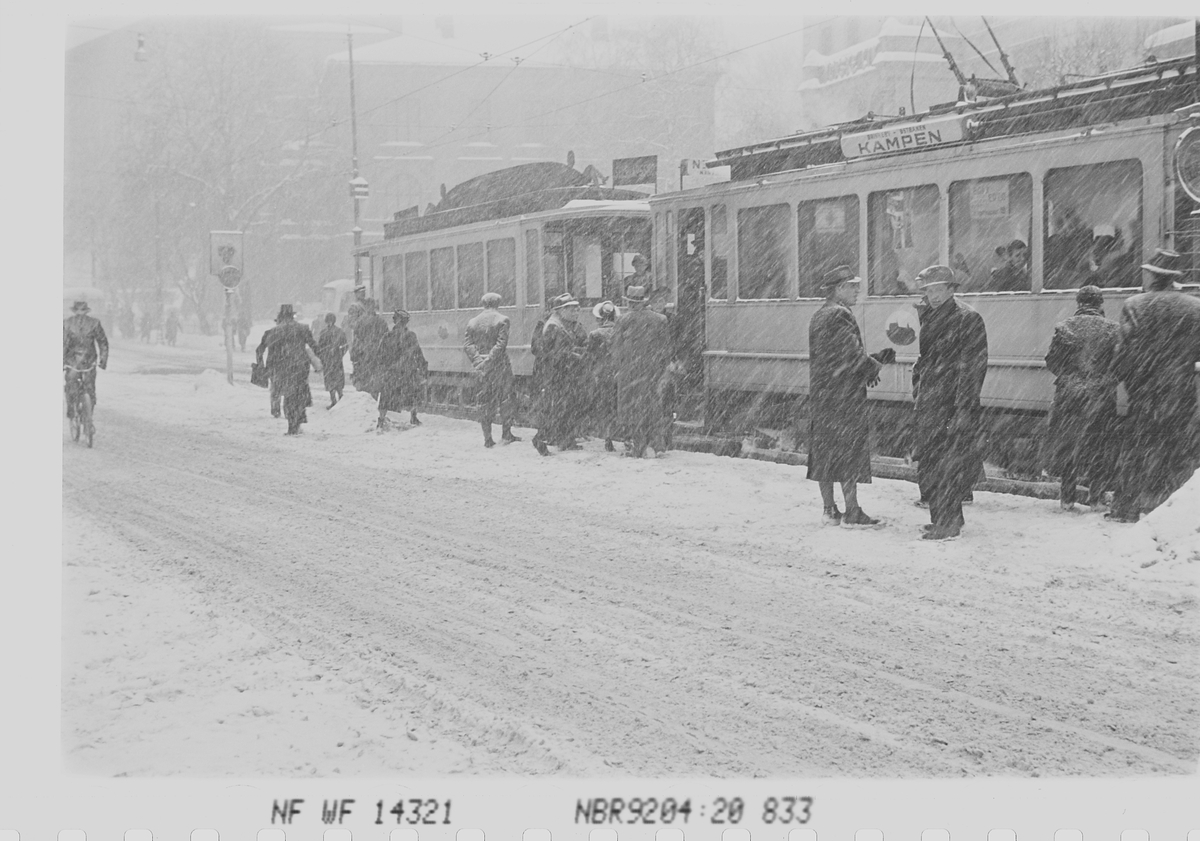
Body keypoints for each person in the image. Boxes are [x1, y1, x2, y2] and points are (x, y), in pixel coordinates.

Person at [1106, 249, 1200, 522]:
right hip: (1181, 392)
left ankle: (1126, 508)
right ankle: (1177, 510)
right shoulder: (1194, 306)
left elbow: (1123, 355)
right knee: (1180, 451)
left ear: (1153, 276)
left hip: (1146, 392)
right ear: (1173, 278)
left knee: (1136, 450)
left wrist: (1133, 384)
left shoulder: (1136, 305)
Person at [806, 265, 893, 526]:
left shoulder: (819, 315)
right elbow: (851, 355)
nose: (858, 291)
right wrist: (875, 365)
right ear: (840, 289)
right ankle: (852, 511)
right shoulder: (840, 315)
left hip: (824, 394)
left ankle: (829, 510)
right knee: (848, 452)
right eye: (853, 286)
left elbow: (836, 357)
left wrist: (866, 365)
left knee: (825, 450)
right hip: (843, 397)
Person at [910, 265, 989, 540]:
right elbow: (926, 360)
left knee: (948, 464)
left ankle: (948, 523)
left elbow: (972, 368)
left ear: (951, 289)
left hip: (951, 404)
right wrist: (918, 385)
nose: (932, 296)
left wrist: (962, 408)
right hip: (932, 402)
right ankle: (943, 517)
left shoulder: (966, 318)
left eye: (938, 289)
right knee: (933, 462)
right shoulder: (932, 316)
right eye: (929, 291)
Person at [1043, 286, 1121, 511]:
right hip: (1101, 394)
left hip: (1070, 394)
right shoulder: (1113, 329)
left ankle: (1067, 498)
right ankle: (1096, 498)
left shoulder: (1064, 327)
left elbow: (1052, 361)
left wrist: (1070, 377)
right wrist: (1105, 378)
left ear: (1078, 303)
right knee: (1099, 444)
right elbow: (1120, 362)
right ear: (1101, 304)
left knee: (1070, 445)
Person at [611, 285, 671, 458]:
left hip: (630, 372)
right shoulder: (660, 320)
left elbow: (616, 349)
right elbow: (665, 349)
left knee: (632, 409)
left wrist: (618, 368)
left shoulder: (623, 320)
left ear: (629, 302)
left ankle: (639, 445)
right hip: (652, 372)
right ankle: (657, 445)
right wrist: (661, 370)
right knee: (653, 407)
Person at [532, 294, 589, 455]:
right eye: (571, 309)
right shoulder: (552, 326)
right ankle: (541, 438)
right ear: (561, 310)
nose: (576, 312)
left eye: (576, 309)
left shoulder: (565, 325)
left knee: (566, 408)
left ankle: (565, 440)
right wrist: (573, 355)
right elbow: (549, 352)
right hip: (558, 374)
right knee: (557, 408)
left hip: (566, 373)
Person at [464, 292, 521, 447]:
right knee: (506, 399)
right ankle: (506, 434)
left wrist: (479, 361)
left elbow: (468, 345)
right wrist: (489, 361)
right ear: (498, 304)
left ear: (483, 304)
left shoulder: (473, 322)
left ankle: (488, 439)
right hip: (499, 366)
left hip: (481, 369)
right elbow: (501, 345)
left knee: (484, 401)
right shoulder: (502, 320)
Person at [262, 304, 321, 435]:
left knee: (289, 396)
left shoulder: (275, 331)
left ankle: (291, 424)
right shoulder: (302, 328)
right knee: (299, 395)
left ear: (281, 316)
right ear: (293, 315)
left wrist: (268, 367)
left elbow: (271, 351)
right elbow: (313, 345)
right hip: (300, 368)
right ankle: (297, 421)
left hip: (283, 368)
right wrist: (322, 356)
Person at [376, 310, 428, 430]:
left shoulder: (387, 336)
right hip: (407, 371)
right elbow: (418, 354)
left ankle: (381, 420)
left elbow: (379, 355)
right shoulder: (410, 336)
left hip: (391, 372)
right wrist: (423, 368)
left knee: (386, 396)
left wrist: (384, 368)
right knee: (412, 394)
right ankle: (413, 417)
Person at [63, 300, 109, 419]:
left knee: (83, 388)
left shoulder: (68, 323)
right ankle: (74, 410)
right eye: (79, 310)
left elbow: (102, 342)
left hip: (78, 361)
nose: (80, 313)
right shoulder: (92, 323)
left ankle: (85, 416)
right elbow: (103, 342)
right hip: (80, 361)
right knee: (77, 387)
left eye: (82, 310)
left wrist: (103, 360)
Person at [586, 300, 619, 451]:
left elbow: (590, 356)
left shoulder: (594, 334)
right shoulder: (620, 331)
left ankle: (608, 438)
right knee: (618, 404)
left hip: (601, 374)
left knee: (605, 406)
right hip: (619, 373)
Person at [350, 298, 388, 396]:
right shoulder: (381, 322)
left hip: (364, 357)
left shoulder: (360, 322)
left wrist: (354, 356)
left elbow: (356, 341)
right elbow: (386, 340)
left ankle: (365, 403)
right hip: (377, 356)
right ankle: (373, 402)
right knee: (375, 384)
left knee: (364, 385)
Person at [316, 312, 348, 408]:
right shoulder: (340, 332)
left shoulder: (323, 332)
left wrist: (323, 356)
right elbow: (345, 346)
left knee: (330, 380)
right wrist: (340, 354)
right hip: (336, 360)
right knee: (338, 380)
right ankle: (340, 398)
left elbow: (320, 347)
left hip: (328, 360)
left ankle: (334, 400)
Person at [255, 315, 283, 418]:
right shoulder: (293, 334)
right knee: (289, 389)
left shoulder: (270, 333)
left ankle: (276, 408)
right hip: (289, 365)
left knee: (276, 388)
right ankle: (286, 410)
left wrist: (260, 365)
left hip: (273, 365)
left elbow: (259, 350)